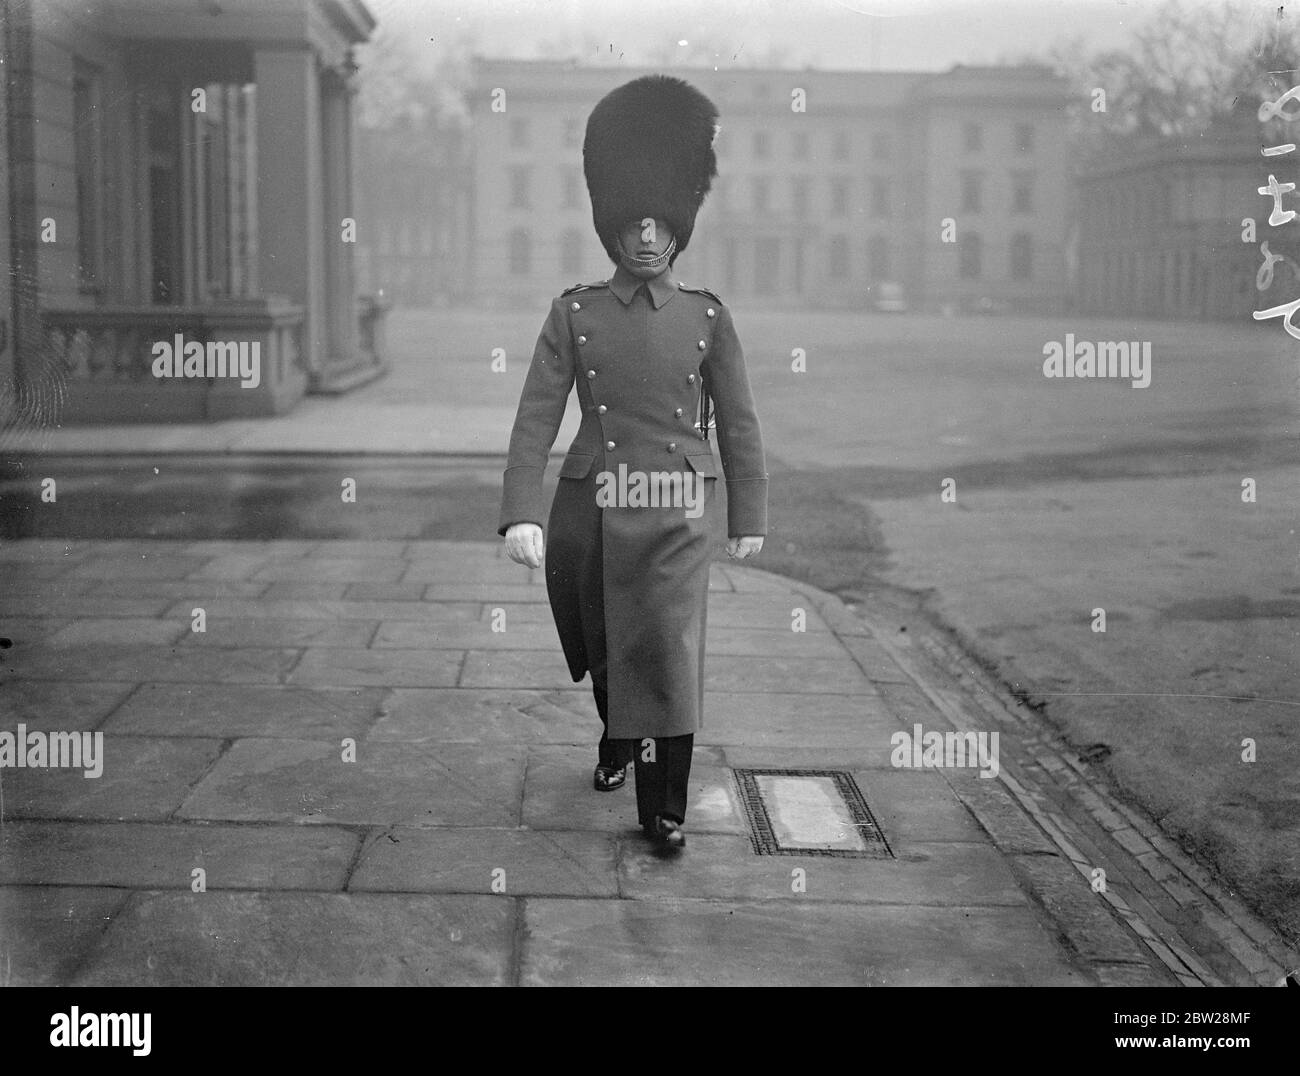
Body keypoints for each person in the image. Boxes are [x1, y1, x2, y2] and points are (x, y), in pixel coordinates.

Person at [498, 75, 768, 851]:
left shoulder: (708, 317)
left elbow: (741, 424)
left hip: (679, 504)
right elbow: (536, 415)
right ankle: (618, 733)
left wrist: (748, 514)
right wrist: (520, 508)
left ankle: (663, 809)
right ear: (610, 226)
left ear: (681, 225)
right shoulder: (574, 313)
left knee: (668, 654)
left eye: (661, 223)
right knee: (607, 643)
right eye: (633, 223)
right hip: (591, 505)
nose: (647, 237)